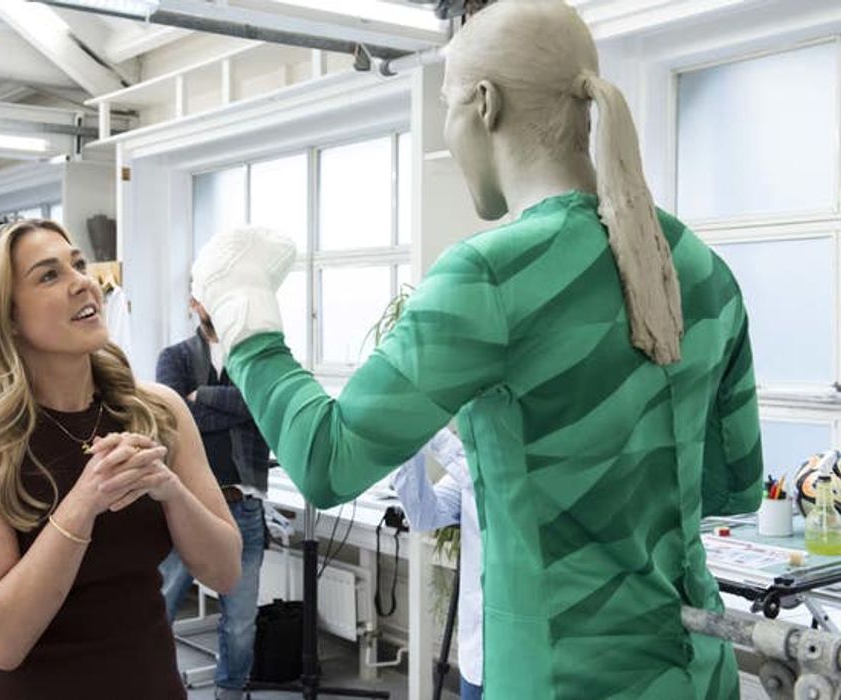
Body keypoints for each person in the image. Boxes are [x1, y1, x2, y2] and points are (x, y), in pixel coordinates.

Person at [190, 2, 763, 698]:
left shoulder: (493, 274)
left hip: (561, 681)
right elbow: (730, 487)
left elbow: (325, 458)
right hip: (698, 673)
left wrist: (244, 314)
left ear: (484, 104)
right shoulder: (703, 269)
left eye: (446, 106)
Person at [0, 219, 242, 700]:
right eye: (49, 276)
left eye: (77, 264)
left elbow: (224, 572)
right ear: (5, 315)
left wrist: (171, 490)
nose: (82, 282)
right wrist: (85, 501)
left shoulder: (157, 411)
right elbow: (1, 642)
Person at [155, 297, 269, 700]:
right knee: (156, 610)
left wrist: (199, 397)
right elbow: (170, 422)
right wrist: (240, 409)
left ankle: (231, 694)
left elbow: (263, 410)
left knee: (241, 621)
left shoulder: (256, 362)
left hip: (245, 505)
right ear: (192, 302)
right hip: (184, 505)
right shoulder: (174, 357)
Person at [392, 429, 481, 700]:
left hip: (528, 652)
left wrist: (432, 430)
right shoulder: (467, 468)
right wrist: (410, 442)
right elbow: (423, 514)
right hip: (478, 652)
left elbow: (487, 484)